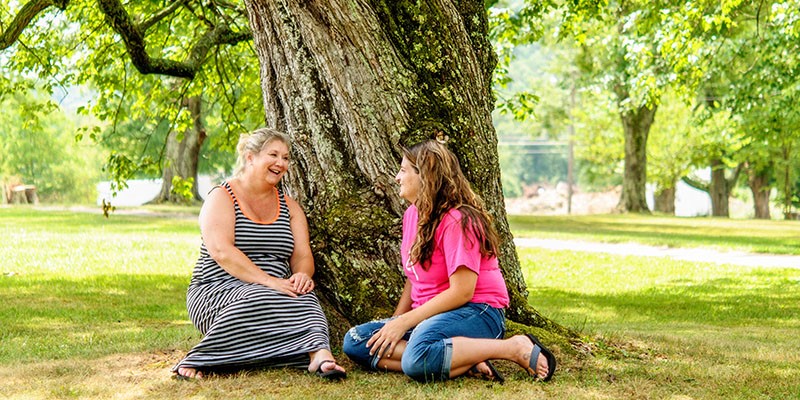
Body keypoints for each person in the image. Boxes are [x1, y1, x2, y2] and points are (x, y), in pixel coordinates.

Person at [342, 139, 556, 383]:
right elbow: (415, 279)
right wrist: (394, 324)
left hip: (477, 311)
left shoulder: (458, 221)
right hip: (431, 316)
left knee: (416, 359)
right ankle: (462, 359)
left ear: (425, 176)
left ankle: (513, 348)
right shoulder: (412, 215)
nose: (396, 177)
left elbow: (462, 292)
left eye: (403, 170)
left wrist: (404, 323)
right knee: (356, 341)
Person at [172, 128, 346, 380]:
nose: (281, 163)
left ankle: (319, 355)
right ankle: (200, 359)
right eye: (273, 154)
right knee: (260, 296)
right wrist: (269, 281)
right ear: (250, 157)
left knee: (306, 297)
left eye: (286, 157)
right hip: (218, 289)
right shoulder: (222, 197)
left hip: (277, 289)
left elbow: (301, 255)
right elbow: (222, 251)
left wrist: (302, 275)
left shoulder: (290, 206)